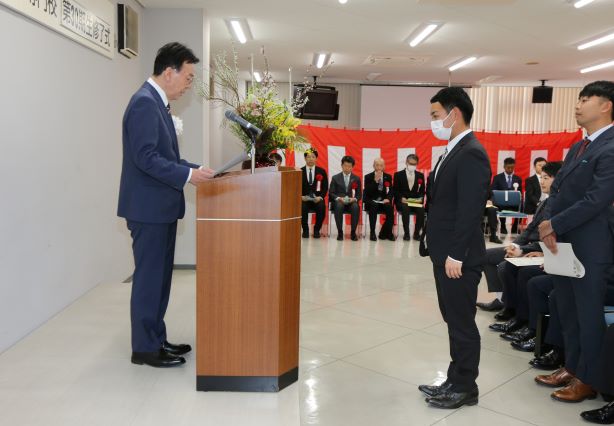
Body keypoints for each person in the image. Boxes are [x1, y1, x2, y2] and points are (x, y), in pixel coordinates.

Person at [117, 42, 215, 368]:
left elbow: (166, 159)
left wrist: (194, 170)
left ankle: (156, 338)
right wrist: (186, 174)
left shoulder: (157, 104)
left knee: (159, 279)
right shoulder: (145, 104)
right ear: (169, 72)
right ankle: (144, 348)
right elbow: (145, 158)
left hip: (159, 208)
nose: (189, 85)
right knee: (149, 279)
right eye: (188, 77)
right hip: (148, 210)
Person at [537, 80, 614, 403]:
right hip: (562, 241)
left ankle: (589, 378)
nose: (578, 104)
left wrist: (554, 223)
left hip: (590, 245)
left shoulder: (610, 147)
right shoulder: (579, 146)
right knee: (566, 308)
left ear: (606, 105)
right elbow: (558, 191)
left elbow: (597, 200)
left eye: (585, 99)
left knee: (588, 313)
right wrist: (548, 225)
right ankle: (572, 365)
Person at [418, 87, 491, 409]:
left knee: (462, 321)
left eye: (436, 115)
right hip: (444, 251)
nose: (433, 122)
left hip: (457, 256)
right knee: (452, 318)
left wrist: (456, 254)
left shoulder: (472, 152)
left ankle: (465, 387)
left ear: (454, 114)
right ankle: (453, 378)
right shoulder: (453, 149)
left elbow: (470, 209)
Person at [393, 154, 425, 241]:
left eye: (414, 164)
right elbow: (395, 190)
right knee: (405, 207)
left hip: (415, 202)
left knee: (422, 209)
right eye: (410, 163)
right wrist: (400, 198)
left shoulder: (420, 176)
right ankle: (406, 233)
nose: (412, 166)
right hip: (402, 202)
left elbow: (422, 191)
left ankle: (416, 233)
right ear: (406, 162)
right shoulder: (398, 175)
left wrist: (420, 199)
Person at [329, 156, 362, 241]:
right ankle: (340, 232)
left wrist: (354, 199)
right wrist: (339, 198)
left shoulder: (357, 179)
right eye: (345, 166)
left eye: (349, 166)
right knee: (339, 206)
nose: (347, 168)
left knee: (355, 207)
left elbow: (359, 195)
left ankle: (353, 232)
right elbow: (331, 193)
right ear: (342, 165)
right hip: (340, 201)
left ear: (352, 167)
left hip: (351, 202)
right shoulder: (335, 178)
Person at [363, 158, 394, 241]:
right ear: (373, 166)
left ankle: (387, 232)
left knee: (390, 207)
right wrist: (375, 181)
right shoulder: (368, 176)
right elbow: (367, 192)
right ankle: (372, 232)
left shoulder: (388, 177)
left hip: (383, 201)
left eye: (381, 165)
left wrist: (388, 198)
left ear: (384, 166)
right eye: (377, 165)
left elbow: (390, 191)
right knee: (374, 205)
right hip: (372, 201)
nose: (379, 167)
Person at [301, 149, 328, 238]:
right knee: (302, 207)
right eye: (308, 157)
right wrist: (301, 197)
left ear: (316, 158)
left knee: (321, 207)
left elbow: (325, 187)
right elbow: (296, 187)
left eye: (313, 157)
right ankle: (305, 230)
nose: (311, 159)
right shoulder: (300, 171)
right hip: (305, 199)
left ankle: (316, 230)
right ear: (305, 158)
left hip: (317, 199)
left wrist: (320, 197)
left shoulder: (322, 171)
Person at [491, 157, 523, 234]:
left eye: (512, 168)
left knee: (522, 205)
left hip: (514, 203)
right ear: (504, 167)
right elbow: (493, 191)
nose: (510, 169)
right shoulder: (497, 178)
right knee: (499, 205)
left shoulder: (518, 178)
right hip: (501, 203)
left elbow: (520, 192)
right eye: (508, 167)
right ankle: (502, 226)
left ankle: (515, 226)